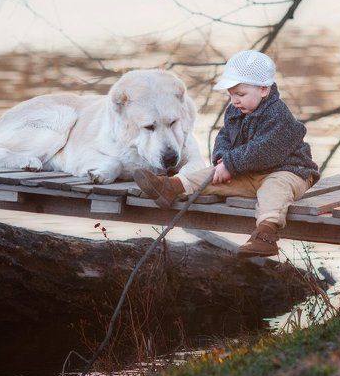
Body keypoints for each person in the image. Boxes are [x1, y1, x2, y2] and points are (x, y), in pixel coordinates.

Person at [134, 50, 320, 258]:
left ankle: (266, 235)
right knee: (211, 174)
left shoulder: (278, 115)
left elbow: (264, 149)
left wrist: (231, 164)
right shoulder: (236, 111)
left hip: (289, 171)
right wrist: (222, 159)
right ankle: (170, 187)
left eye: (240, 94)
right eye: (231, 94)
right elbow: (224, 136)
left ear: (264, 89)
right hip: (250, 171)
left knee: (274, 189)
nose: (235, 101)